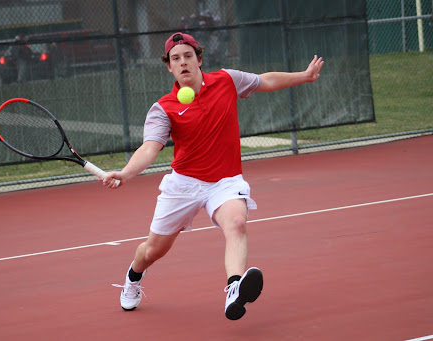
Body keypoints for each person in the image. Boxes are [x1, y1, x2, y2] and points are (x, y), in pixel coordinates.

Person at [105, 32, 324, 320]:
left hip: (225, 180)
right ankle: (133, 278)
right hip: (183, 185)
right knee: (152, 251)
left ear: (199, 59)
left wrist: (304, 76)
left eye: (187, 56)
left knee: (236, 223)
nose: (182, 63)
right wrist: (126, 173)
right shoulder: (163, 108)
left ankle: (234, 287)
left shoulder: (227, 80)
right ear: (169, 67)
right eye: (175, 59)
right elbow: (149, 148)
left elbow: (264, 80)